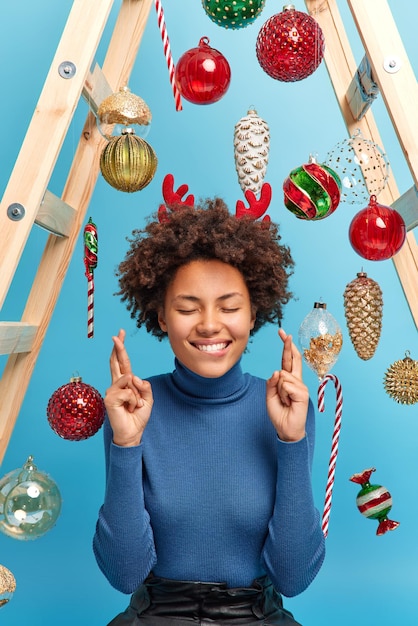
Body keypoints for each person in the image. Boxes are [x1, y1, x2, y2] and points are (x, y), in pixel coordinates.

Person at [93, 195, 326, 625]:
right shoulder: (133, 411)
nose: (208, 324)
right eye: (186, 308)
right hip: (156, 615)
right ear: (161, 316)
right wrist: (127, 442)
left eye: (229, 306)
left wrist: (292, 442)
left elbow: (293, 578)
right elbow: (125, 574)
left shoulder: (286, 409)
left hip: (257, 615)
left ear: (254, 312)